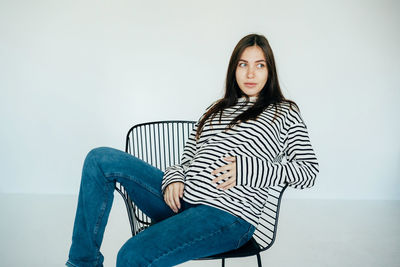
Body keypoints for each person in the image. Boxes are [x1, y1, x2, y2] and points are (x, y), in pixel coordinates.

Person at [66, 33, 319, 267]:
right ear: (234, 69)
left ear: (269, 70)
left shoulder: (284, 112)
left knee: (131, 255)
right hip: (182, 201)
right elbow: (188, 159)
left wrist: (246, 170)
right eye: (243, 64)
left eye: (259, 65)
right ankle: (82, 263)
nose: (250, 73)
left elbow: (308, 172)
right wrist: (175, 176)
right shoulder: (215, 109)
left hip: (227, 216)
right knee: (100, 159)